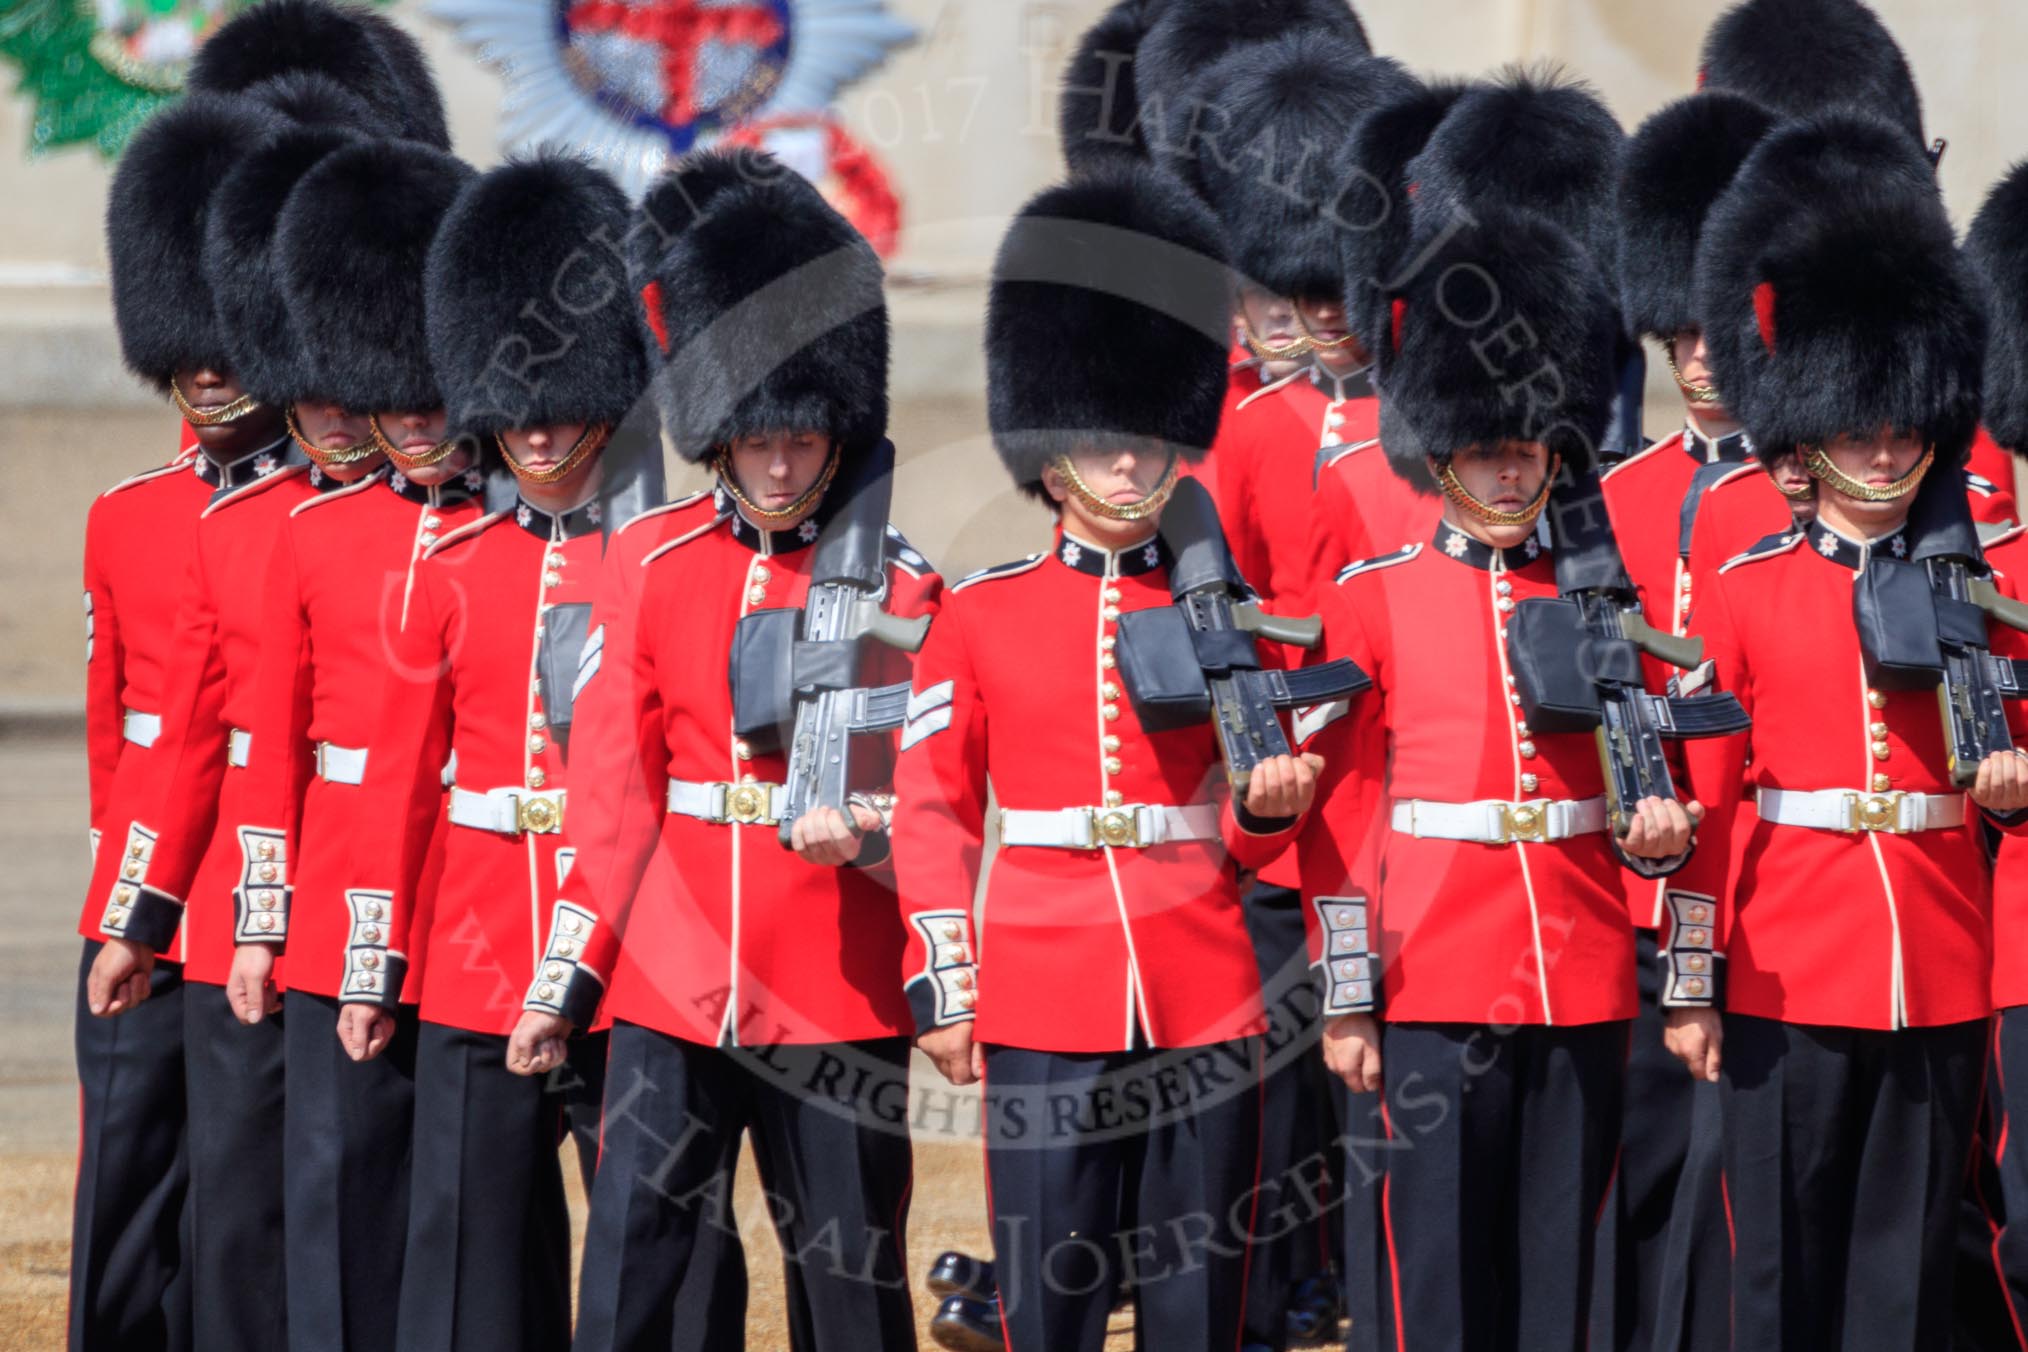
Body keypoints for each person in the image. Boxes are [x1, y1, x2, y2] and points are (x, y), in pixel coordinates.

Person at [500, 147, 937, 1352]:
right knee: (640, 1267)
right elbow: (613, 793)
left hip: (836, 982)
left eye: (803, 435)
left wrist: (874, 837)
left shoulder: (904, 586)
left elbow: (935, 795)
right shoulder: (651, 564)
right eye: (758, 437)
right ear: (719, 433)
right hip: (669, 983)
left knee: (850, 1279)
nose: (784, 461)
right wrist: (568, 973)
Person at [895, 160, 1323, 1352]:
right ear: (1051, 449)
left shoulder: (1223, 614)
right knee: (1052, 1285)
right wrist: (947, 977)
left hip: (1200, 976)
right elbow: (933, 811)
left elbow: (1246, 818)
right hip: (1042, 981)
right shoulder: (980, 612)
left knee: (1200, 1295)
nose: (1132, 466)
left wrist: (1273, 812)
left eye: (1148, 440)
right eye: (1104, 441)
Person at [1301, 206, 1701, 1352]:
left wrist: (1660, 840)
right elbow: (1340, 813)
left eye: (1528, 445)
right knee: (1430, 1270)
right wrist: (1346, 992)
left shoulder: (1592, 595)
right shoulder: (1375, 592)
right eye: (1487, 446)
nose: (1512, 464)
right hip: (1427, 973)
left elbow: (1642, 783)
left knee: (1560, 1275)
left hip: (1573, 968)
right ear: (1441, 450)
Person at [1670, 113, 2028, 1351]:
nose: (1884, 447)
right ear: (1811, 431)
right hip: (1784, 958)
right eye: (1859, 426)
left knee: (1904, 1267)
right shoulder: (1751, 584)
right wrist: (1693, 973)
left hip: (1933, 951)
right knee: (1777, 1256)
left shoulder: (1977, 590)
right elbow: (1709, 797)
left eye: (1899, 426)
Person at [339, 152, 648, 1352]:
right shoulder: (456, 573)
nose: (533, 431)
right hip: (470, 947)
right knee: (467, 1249)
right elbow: (404, 787)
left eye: (560, 405)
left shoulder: (651, 568)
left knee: (651, 1246)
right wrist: (376, 964)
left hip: (619, 955)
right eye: (514, 408)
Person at [220, 131, 478, 1352]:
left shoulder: (528, 539)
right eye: (398, 391)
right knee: (339, 1187)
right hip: (339, 897)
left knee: (482, 1209)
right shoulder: (316, 536)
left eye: (437, 391)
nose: (418, 416)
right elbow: (266, 747)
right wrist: (261, 921)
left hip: (482, 898)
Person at [1590, 87, 1776, 1352]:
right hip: (1626, 875)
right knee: (1635, 1162)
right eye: (1680, 332)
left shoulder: (1807, 491)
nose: (1700, 355)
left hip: (1761, 870)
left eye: (1720, 329)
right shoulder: (1620, 491)